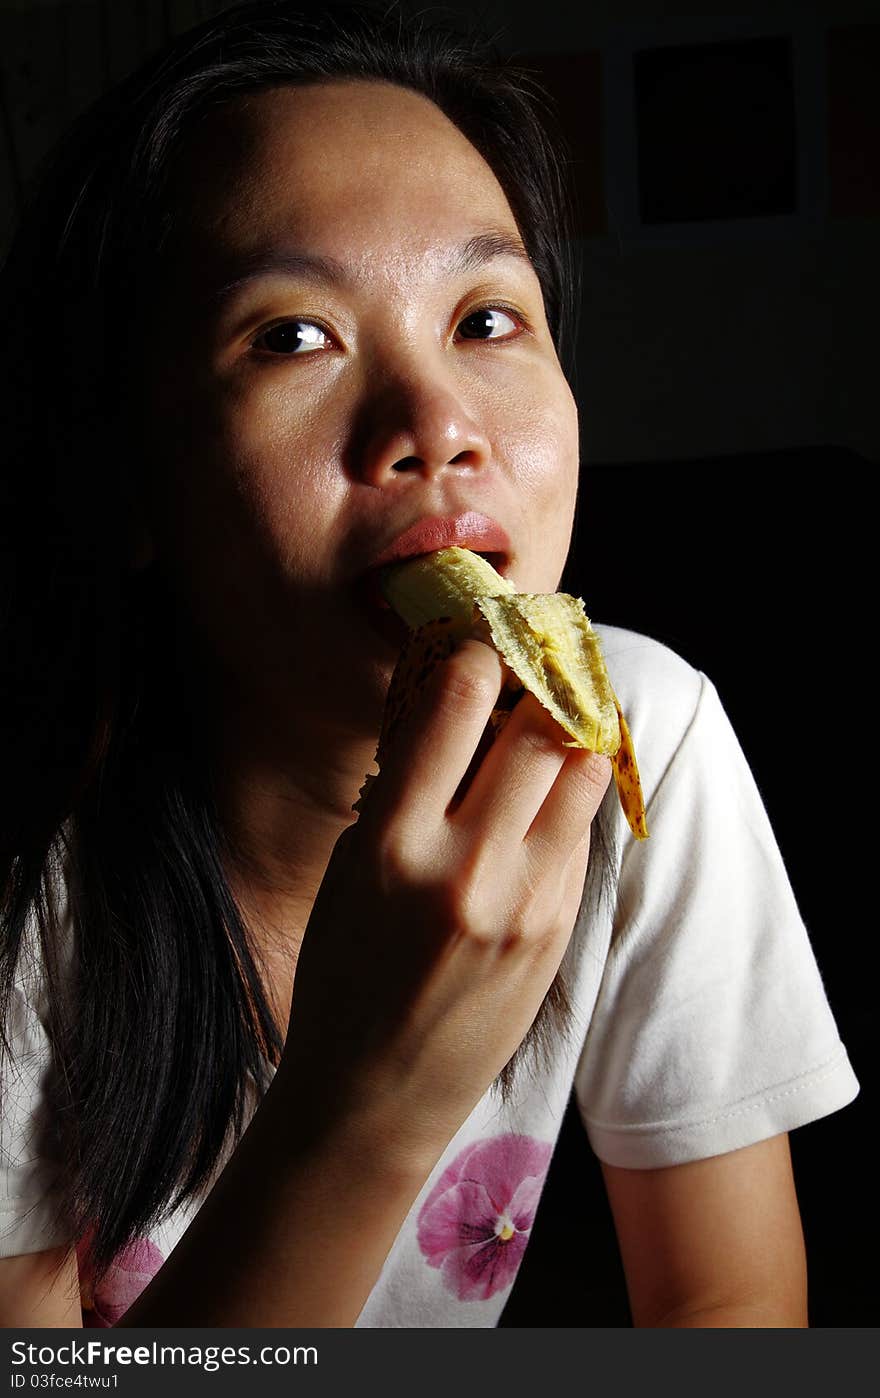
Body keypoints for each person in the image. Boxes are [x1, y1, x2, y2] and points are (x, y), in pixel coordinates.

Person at [0, 0, 858, 1328]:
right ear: (126, 484)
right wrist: (368, 1093)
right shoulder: (35, 874)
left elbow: (732, 1316)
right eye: (291, 336)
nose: (438, 424)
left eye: (487, 319)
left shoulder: (646, 735)